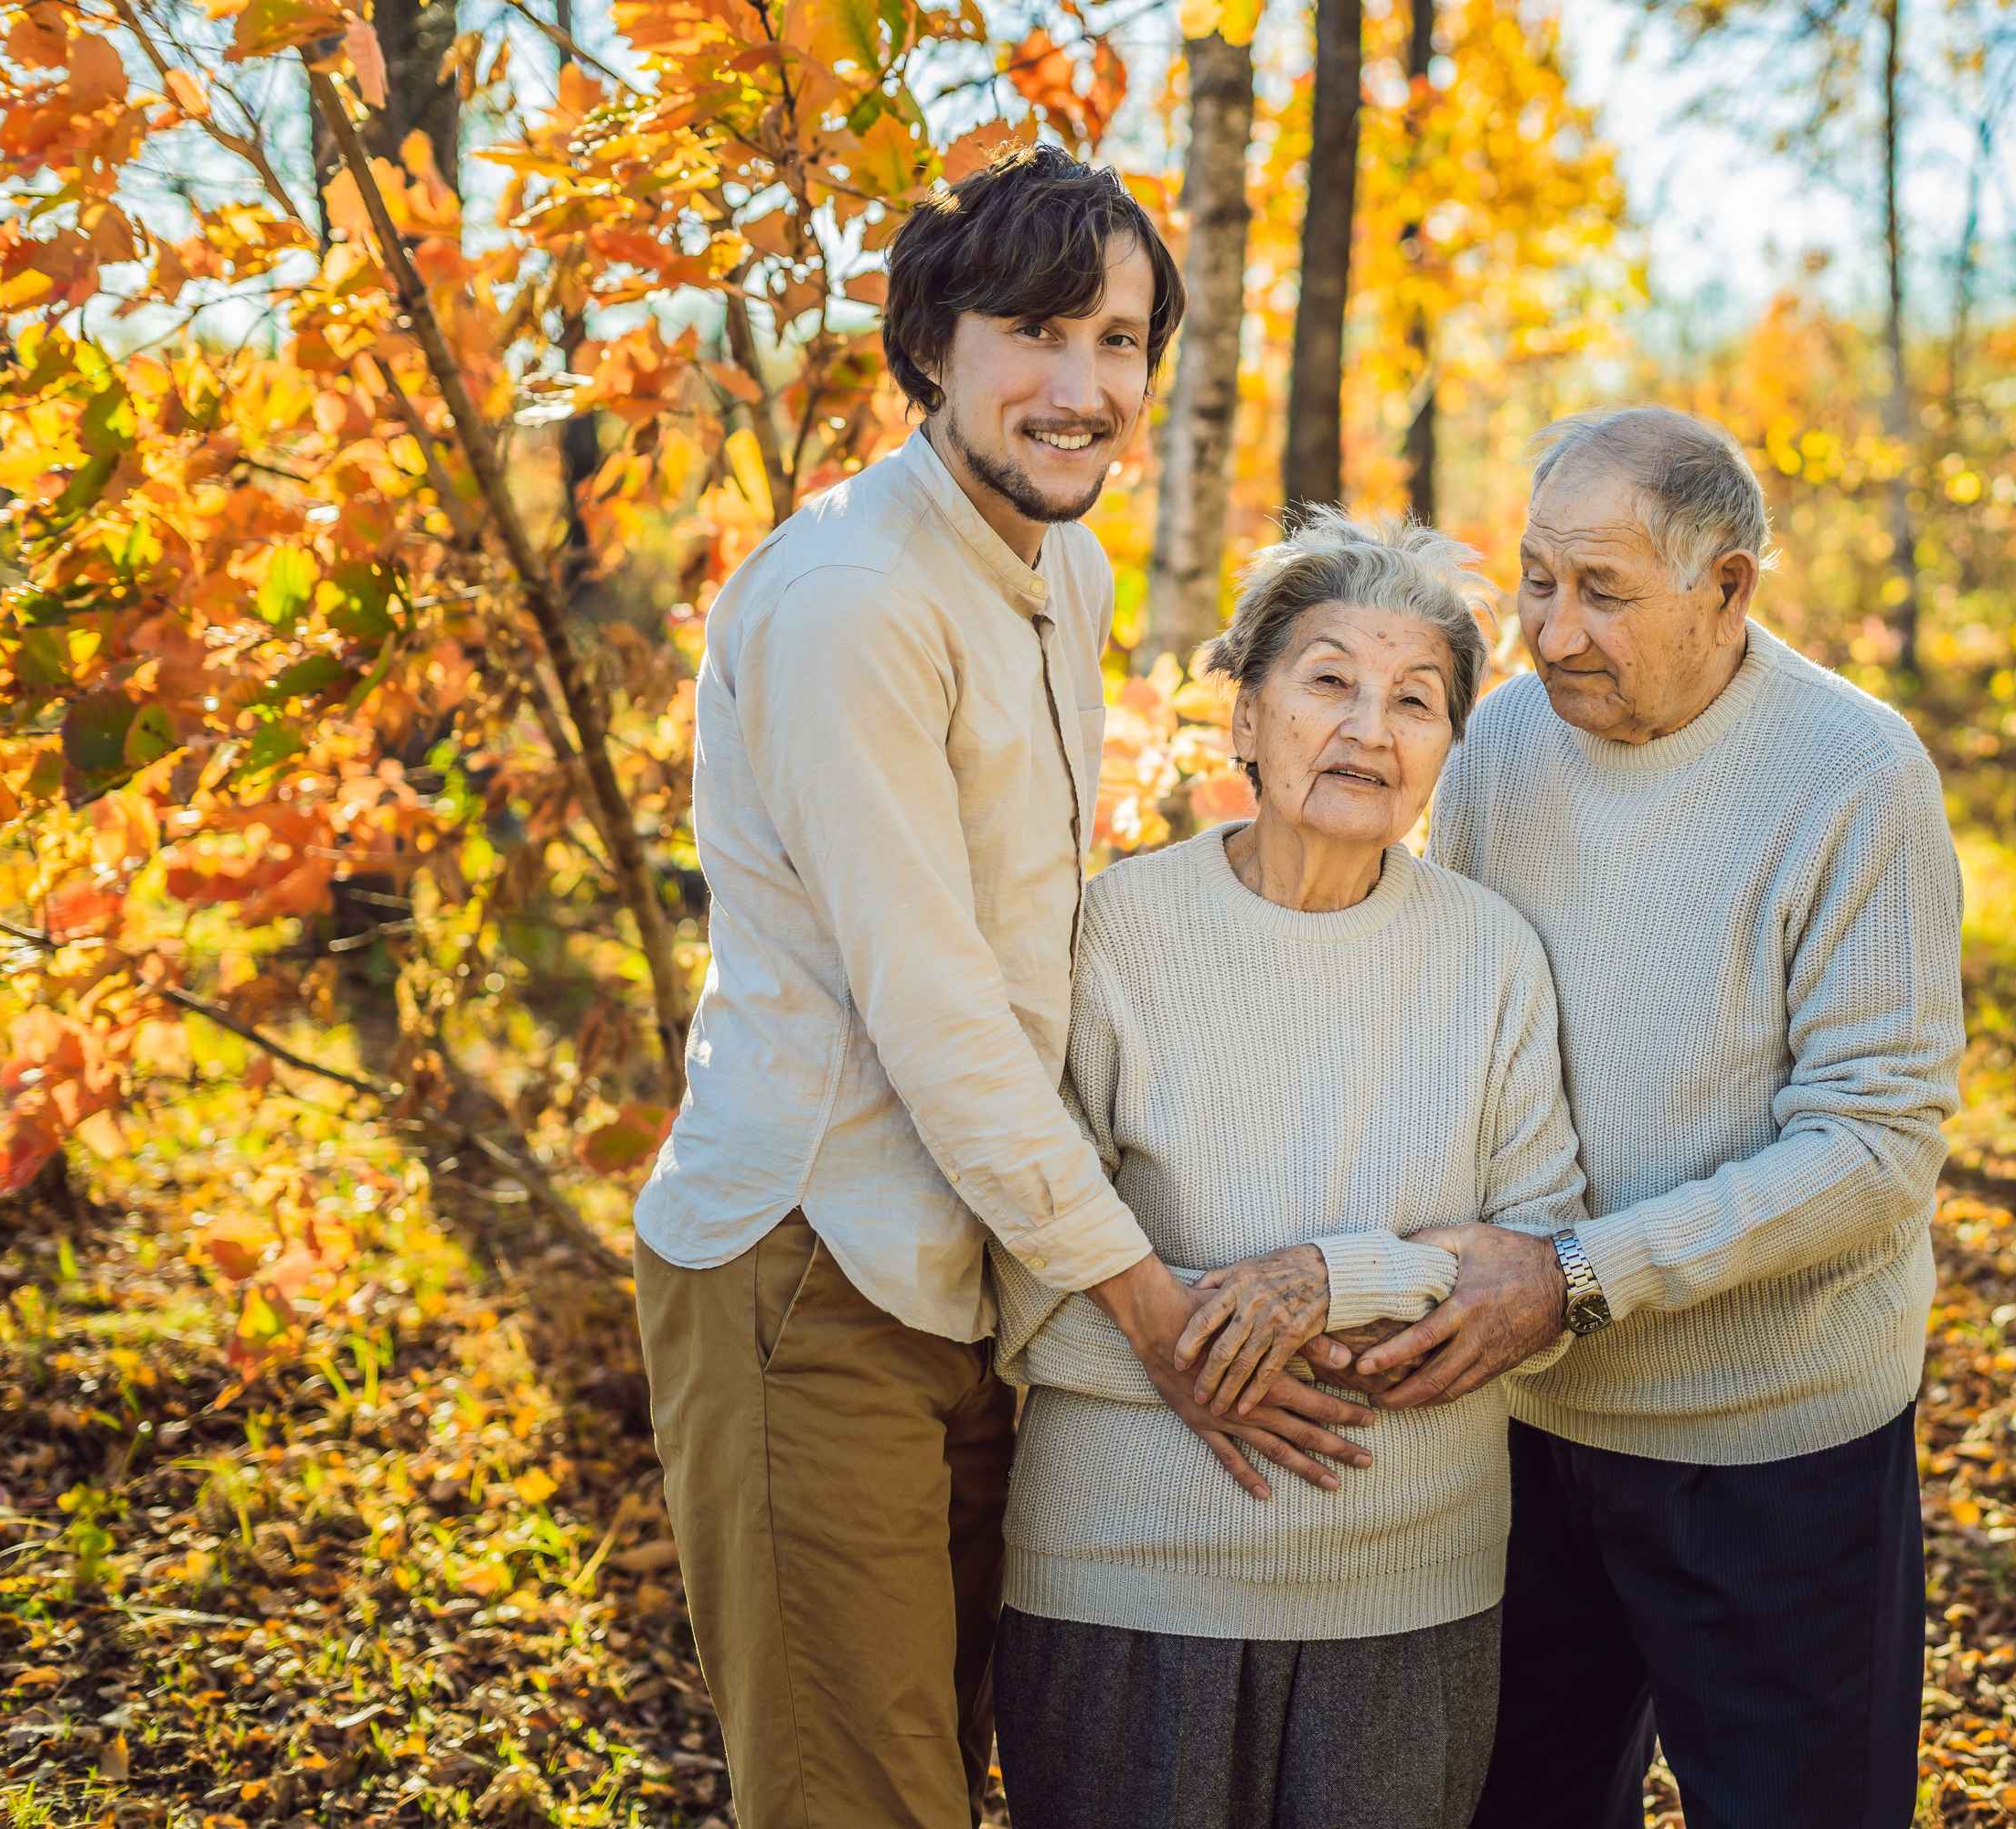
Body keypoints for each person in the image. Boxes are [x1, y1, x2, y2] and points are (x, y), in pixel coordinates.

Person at [627, 147, 1368, 1829]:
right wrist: (1150, 1305)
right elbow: (938, 1006)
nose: (1083, 385)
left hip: (972, 1274)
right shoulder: (853, 602)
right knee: (855, 1798)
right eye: (1037, 331)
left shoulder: (1060, 571)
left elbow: (1047, 939)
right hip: (809, 1268)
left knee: (953, 1769)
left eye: (1120, 341)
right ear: (932, 346)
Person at [1345, 406, 1966, 1829]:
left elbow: (1876, 1148)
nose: (1554, 633)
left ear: (1731, 588)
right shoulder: (1500, 747)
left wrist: (1575, 1279)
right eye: (1538, 581)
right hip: (1524, 1428)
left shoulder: (1855, 776)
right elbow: (1458, 1027)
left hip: (1774, 1449)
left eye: (1605, 593)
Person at [987, 509, 1589, 1829]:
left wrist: (1332, 1281)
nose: (1371, 729)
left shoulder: (1492, 958)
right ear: (1245, 718)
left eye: (1415, 700)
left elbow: (1539, 1279)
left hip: (1409, 1590)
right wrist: (1208, 1356)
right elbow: (1021, 1260)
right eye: (1329, 682)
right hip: (1121, 1580)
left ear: (1446, 748)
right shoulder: (1109, 932)